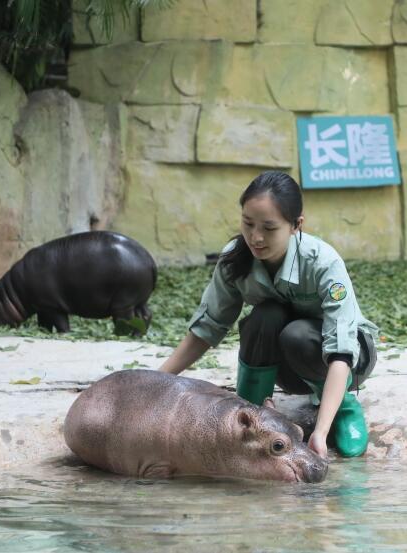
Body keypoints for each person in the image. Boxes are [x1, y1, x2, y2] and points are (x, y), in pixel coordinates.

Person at [158, 171, 378, 458]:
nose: (256, 237)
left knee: (296, 334)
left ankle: (343, 407)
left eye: (269, 228)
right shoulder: (234, 258)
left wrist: (320, 432)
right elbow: (207, 328)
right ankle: (250, 411)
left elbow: (341, 350)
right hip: (290, 369)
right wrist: (154, 382)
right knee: (264, 316)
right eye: (248, 224)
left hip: (347, 360)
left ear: (296, 225)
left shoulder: (323, 263)